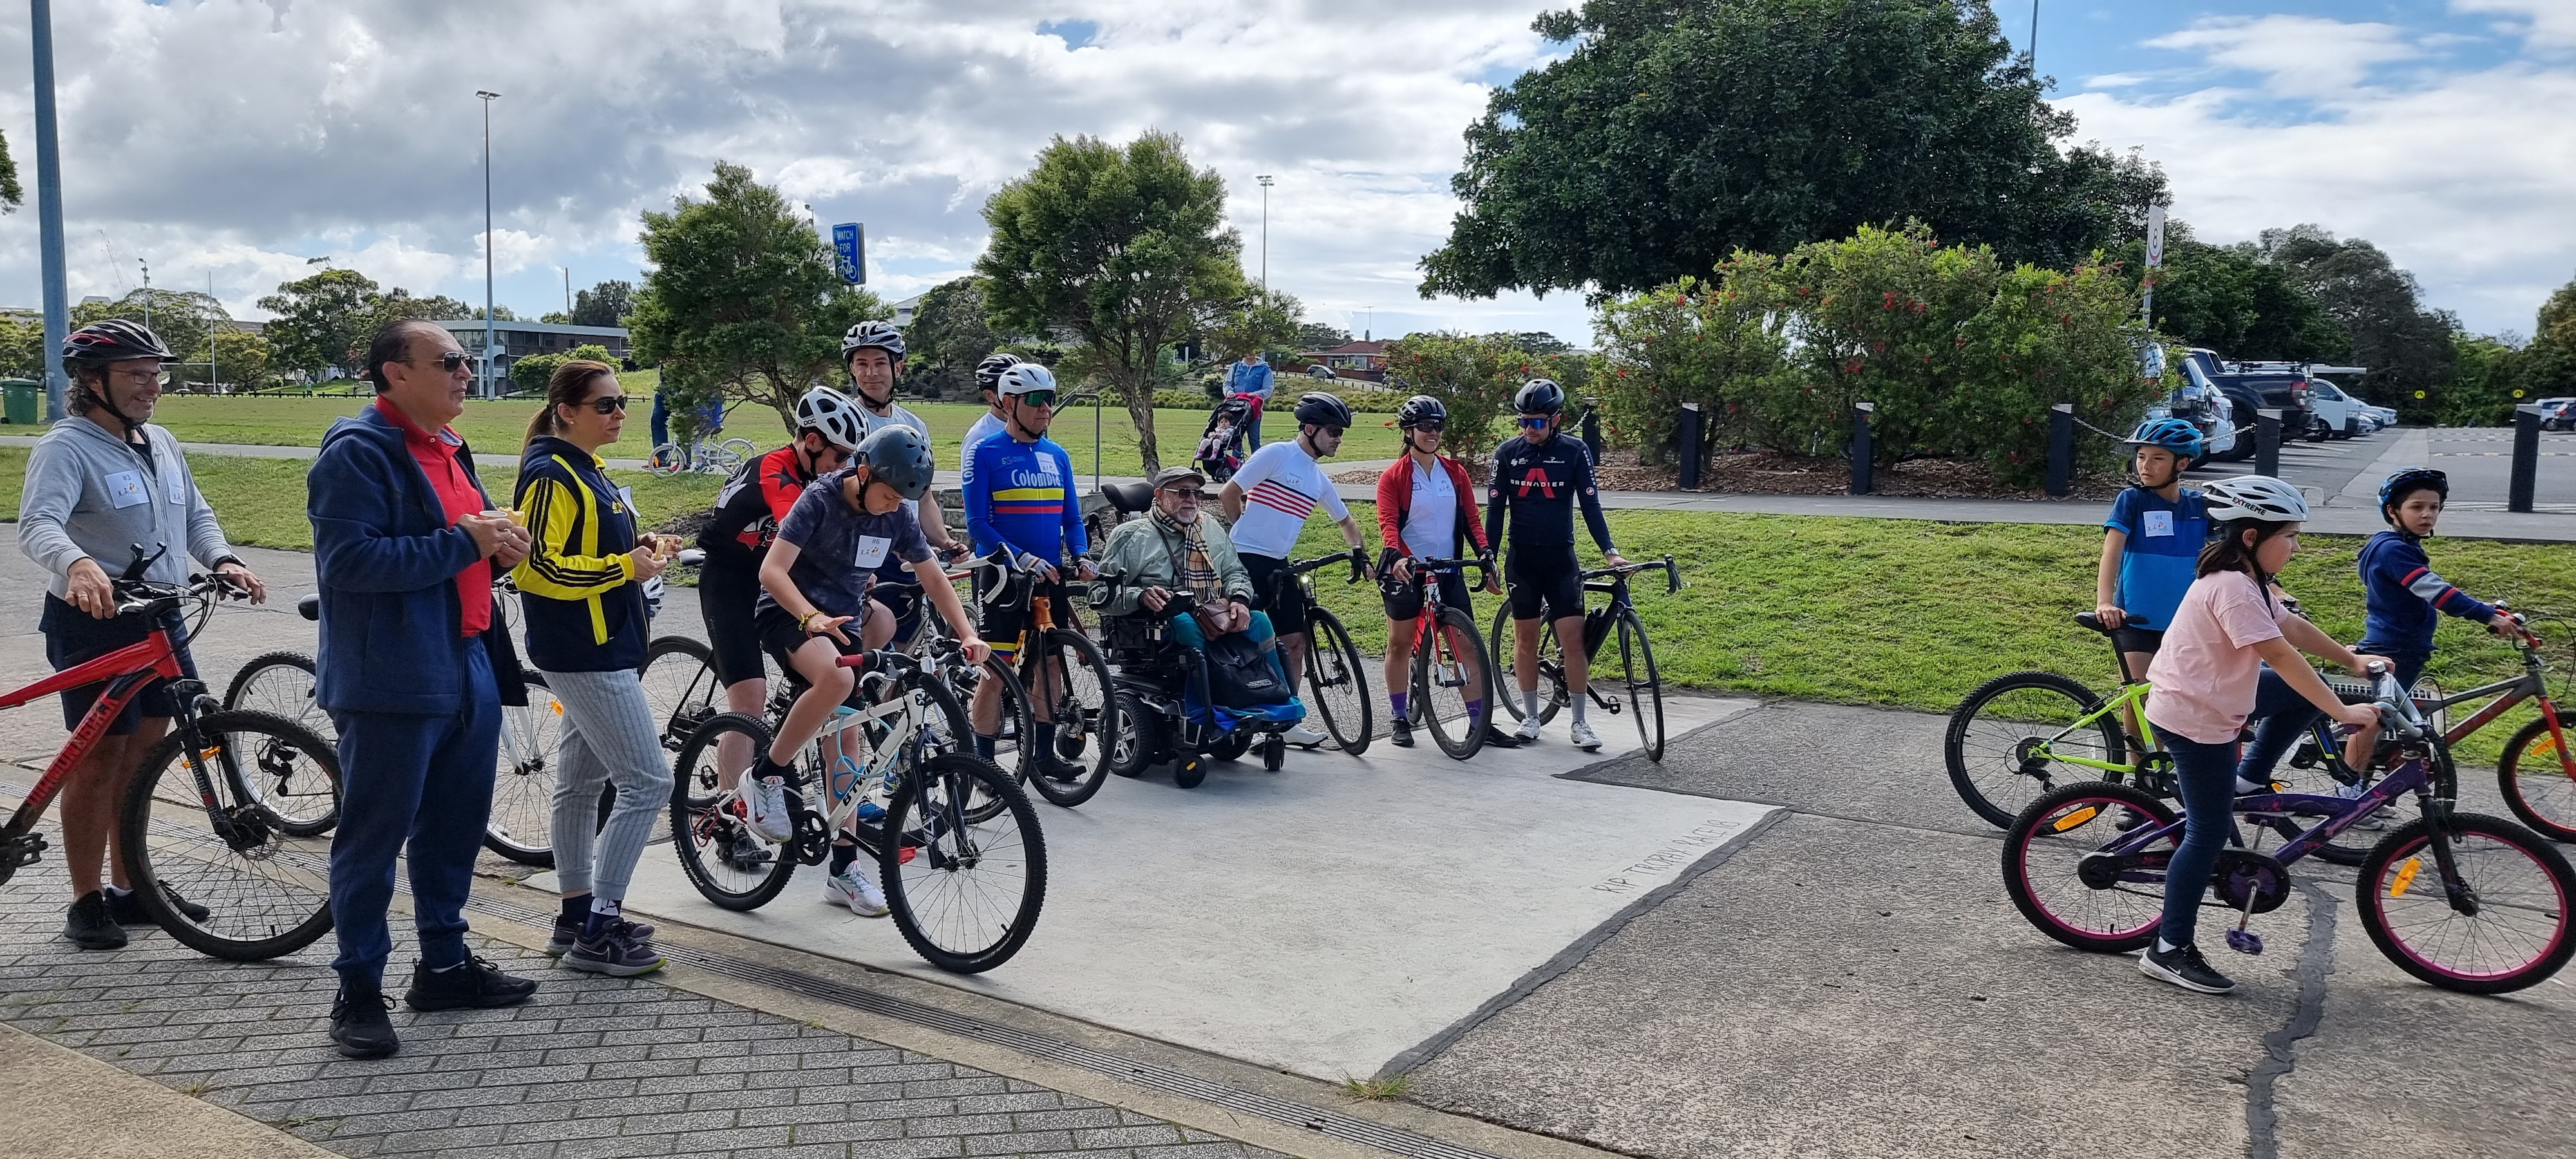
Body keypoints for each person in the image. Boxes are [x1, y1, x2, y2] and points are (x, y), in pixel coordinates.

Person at [309, 318, 537, 1058]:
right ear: (394, 373)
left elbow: (461, 552)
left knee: (454, 829)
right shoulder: (357, 454)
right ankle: (358, 990)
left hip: (465, 660)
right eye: (450, 361)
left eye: (467, 361)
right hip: (392, 679)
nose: (467, 372)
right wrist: (464, 542)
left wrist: (498, 552)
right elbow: (348, 563)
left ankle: (444, 965)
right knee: (373, 840)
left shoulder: (449, 449)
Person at [16, 319, 268, 950]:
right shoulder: (66, 448)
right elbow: (39, 523)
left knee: (147, 753)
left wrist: (222, 560)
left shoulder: (160, 442)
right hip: (95, 620)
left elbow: (195, 516)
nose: (151, 386)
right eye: (136, 374)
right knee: (100, 756)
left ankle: (134, 891)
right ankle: (86, 899)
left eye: (157, 374)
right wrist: (76, 564)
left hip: (160, 616)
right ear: (91, 381)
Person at [2138, 476, 2380, 995]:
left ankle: (2250, 778)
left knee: (2295, 697)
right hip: (2196, 718)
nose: (2296, 546)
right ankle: (2167, 948)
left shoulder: (2247, 579)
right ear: (2251, 536)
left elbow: (2291, 629)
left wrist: (2352, 661)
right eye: (2289, 536)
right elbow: (2281, 656)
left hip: (2215, 698)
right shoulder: (2232, 587)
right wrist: (2341, 709)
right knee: (2207, 832)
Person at [748, 426, 990, 916]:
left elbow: (933, 576)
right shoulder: (820, 499)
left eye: (902, 497)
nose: (893, 504)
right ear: (863, 473)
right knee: (837, 679)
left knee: (847, 744)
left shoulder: (898, 514)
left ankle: (843, 871)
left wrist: (967, 632)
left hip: (843, 624)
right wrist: (809, 616)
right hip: (787, 613)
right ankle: (766, 775)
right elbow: (771, 572)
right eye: (887, 493)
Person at [511, 359, 675, 977]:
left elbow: (594, 548)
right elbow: (533, 569)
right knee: (647, 782)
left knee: (580, 785)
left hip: (606, 643)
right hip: (586, 649)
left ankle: (576, 915)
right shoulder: (552, 474)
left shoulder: (589, 470)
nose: (619, 413)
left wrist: (644, 551)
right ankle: (602, 926)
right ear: (567, 411)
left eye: (622, 401)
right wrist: (621, 569)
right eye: (605, 404)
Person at [2228, 467, 2528, 793]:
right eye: (2417, 507)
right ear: (2392, 511)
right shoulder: (2392, 549)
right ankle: (2351, 790)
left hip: (2409, 647)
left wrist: (2489, 610)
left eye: (2434, 507)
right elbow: (2434, 590)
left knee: (2385, 718)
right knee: (2375, 719)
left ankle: (2362, 776)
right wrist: (2485, 615)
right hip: (2394, 646)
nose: (2428, 515)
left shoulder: (2401, 546)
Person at [697, 387, 865, 843]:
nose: (844, 467)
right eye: (838, 456)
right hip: (732, 581)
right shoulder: (774, 467)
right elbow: (801, 528)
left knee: (831, 685)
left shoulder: (826, 475)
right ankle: (729, 820)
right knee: (749, 699)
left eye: (851, 458)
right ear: (811, 442)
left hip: (782, 586)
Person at [1218, 391, 1373, 748]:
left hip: (1280, 565)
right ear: (1309, 428)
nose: (1338, 439)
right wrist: (1243, 531)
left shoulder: (1318, 477)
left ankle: (1284, 722)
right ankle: (1244, 715)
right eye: (1333, 431)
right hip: (1244, 558)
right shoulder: (1277, 454)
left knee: (1294, 642)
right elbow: (1230, 492)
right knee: (1246, 643)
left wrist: (1359, 553)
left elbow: (1348, 522)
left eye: (1341, 433)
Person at [962, 363, 1095, 773]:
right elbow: (978, 525)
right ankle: (984, 765)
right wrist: (1021, 557)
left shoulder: (1058, 455)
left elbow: (1072, 519)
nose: (1045, 409)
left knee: (1049, 664)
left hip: (1049, 575)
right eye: (1035, 401)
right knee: (995, 671)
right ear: (1008, 404)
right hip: (1004, 577)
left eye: (1050, 400)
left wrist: (1081, 555)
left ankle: (1041, 756)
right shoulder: (985, 453)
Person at [1485, 379, 1626, 751]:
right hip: (1522, 560)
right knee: (1525, 641)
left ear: (1556, 420)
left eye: (1536, 423)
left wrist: (1610, 552)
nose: (1528, 430)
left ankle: (1580, 722)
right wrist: (1489, 559)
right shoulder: (1506, 453)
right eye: (1522, 422)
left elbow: (1591, 507)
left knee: (1573, 643)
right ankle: (1530, 716)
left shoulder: (1576, 452)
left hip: (1561, 559)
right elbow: (1496, 511)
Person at [1373, 395, 1508, 750]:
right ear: (1408, 432)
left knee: (1465, 644)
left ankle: (1479, 724)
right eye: (1425, 427)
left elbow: (1472, 521)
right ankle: (1400, 717)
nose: (1433, 433)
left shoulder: (1455, 472)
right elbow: (1388, 524)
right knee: (1400, 644)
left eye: (1438, 426)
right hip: (1408, 569)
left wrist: (1486, 554)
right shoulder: (1395, 477)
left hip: (1448, 569)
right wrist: (1397, 556)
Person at [1096, 466, 1285, 675]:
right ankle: (1213, 700)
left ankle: (1280, 698)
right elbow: (1100, 593)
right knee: (1185, 624)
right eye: (1183, 492)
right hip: (1160, 623)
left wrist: (1239, 600)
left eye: (1197, 493)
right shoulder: (1131, 535)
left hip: (1212, 613)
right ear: (1159, 496)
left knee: (1260, 621)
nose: (1192, 500)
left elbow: (1235, 573)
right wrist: (1140, 596)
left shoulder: (1209, 527)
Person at [2094, 419, 2209, 746]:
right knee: (2138, 698)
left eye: (2158, 458)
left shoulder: (2201, 507)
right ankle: (2142, 775)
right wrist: (2105, 602)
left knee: (2178, 702)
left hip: (2186, 622)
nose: (2146, 465)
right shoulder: (2132, 500)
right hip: (2137, 618)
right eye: (2142, 457)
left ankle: (2168, 770)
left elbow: (2229, 561)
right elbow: (2111, 553)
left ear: (2182, 463)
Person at [962, 351, 1024, 460]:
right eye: (1010, 389)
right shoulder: (979, 438)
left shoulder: (1031, 427)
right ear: (990, 396)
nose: (1020, 395)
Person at [1226, 350, 1274, 448]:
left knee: (1254, 439)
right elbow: (1227, 384)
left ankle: (1257, 462)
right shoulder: (1236, 367)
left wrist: (1256, 394)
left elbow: (1268, 389)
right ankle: (1237, 462)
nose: (1249, 353)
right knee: (1236, 439)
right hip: (1236, 409)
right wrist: (1229, 392)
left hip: (1254, 409)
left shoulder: (1265, 369)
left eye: (1252, 350)